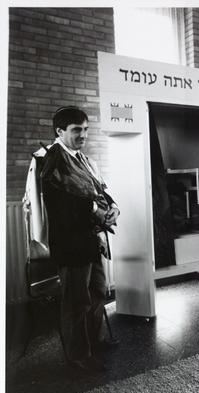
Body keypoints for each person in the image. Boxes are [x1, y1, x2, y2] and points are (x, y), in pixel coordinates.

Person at [41, 106, 120, 372]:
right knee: (76, 301)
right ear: (60, 131)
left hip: (90, 239)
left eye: (86, 129)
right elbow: (61, 205)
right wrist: (96, 211)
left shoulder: (82, 159)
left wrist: (113, 207)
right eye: (77, 130)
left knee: (98, 291)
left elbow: (99, 189)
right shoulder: (52, 160)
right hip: (71, 243)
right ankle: (78, 356)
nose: (83, 135)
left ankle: (93, 342)